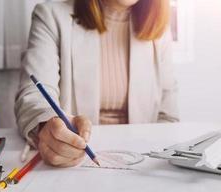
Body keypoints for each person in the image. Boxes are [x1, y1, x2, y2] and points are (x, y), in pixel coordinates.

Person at [15, 0, 179, 167]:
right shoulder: (50, 16)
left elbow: (168, 114)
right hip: (77, 167)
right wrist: (47, 127)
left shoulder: (159, 27)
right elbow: (34, 95)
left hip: (141, 164)